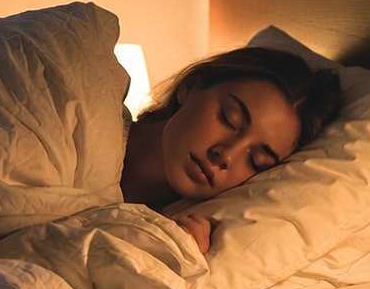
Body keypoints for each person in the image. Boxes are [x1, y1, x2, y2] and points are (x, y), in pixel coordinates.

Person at [119, 47, 342, 254]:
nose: (226, 155)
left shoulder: (169, 228)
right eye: (229, 119)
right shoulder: (90, 120)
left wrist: (160, 251)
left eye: (257, 161)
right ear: (190, 87)